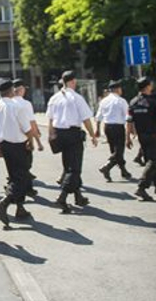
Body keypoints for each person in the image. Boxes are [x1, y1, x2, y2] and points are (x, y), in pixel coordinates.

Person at [0, 80, 37, 227]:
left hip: (5, 145)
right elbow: (27, 128)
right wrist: (31, 141)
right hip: (18, 146)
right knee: (22, 178)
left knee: (14, 176)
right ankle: (4, 203)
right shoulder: (16, 106)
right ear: (12, 91)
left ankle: (20, 208)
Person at [46, 71, 98, 214]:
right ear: (73, 81)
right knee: (74, 168)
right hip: (73, 135)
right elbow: (86, 119)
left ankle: (78, 196)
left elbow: (50, 119)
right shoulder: (77, 98)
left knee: (68, 164)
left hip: (59, 134)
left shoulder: (54, 98)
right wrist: (93, 134)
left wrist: (51, 135)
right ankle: (61, 197)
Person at [95, 80, 132, 181]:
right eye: (120, 89)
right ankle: (107, 167)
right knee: (119, 151)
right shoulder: (121, 101)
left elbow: (98, 117)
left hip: (107, 127)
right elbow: (128, 117)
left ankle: (123, 171)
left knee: (114, 150)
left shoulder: (103, 101)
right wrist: (131, 129)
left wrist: (97, 129)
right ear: (117, 89)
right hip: (118, 127)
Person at [13, 79, 43, 197]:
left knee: (16, 165)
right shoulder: (25, 104)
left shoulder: (8, 103)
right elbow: (31, 124)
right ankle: (23, 188)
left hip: (9, 141)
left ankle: (19, 184)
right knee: (26, 164)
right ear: (21, 90)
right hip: (24, 139)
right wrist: (38, 142)